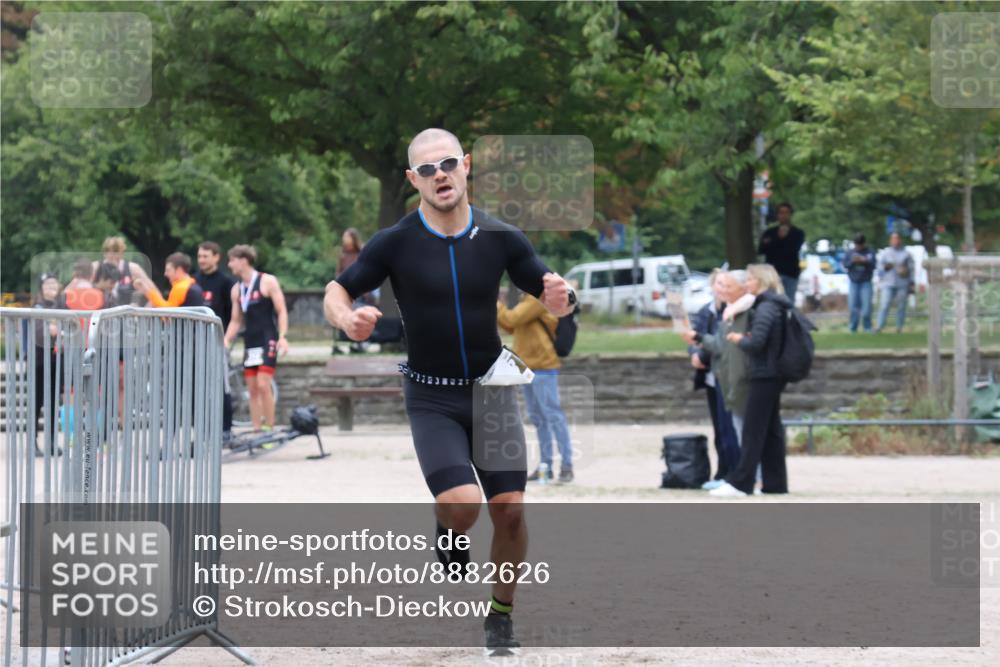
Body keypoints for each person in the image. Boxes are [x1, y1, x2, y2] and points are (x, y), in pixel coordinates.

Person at [324, 128, 574, 657]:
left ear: (467, 166)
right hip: (433, 396)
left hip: (493, 393)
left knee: (509, 509)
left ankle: (500, 617)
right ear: (413, 180)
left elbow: (551, 290)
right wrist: (347, 318)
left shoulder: (502, 236)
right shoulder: (396, 241)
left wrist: (563, 296)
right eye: (428, 169)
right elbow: (338, 288)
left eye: (448, 164)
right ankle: (447, 526)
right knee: (462, 507)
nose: (441, 175)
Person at [711, 264, 790, 498]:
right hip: (773, 373)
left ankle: (742, 483)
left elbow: (758, 343)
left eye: (750, 279)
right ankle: (776, 483)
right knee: (772, 431)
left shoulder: (765, 306)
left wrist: (739, 338)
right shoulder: (774, 303)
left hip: (764, 373)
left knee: (753, 430)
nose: (747, 283)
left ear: (761, 281)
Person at [685, 270, 753, 487]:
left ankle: (735, 473)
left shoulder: (735, 311)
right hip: (712, 375)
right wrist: (693, 352)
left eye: (726, 285)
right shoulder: (709, 310)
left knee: (733, 427)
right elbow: (697, 334)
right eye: (718, 285)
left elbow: (719, 344)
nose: (721, 289)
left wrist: (700, 350)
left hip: (729, 374)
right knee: (721, 428)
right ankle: (724, 471)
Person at [497, 292, 574, 483]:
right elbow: (511, 326)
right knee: (538, 418)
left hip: (544, 366)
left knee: (553, 415)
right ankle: (545, 467)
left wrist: (495, 303)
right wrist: (499, 310)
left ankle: (567, 465)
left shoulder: (538, 299)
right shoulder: (527, 300)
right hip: (528, 366)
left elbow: (512, 318)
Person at [224, 244, 289, 431]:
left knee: (263, 384)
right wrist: (226, 340)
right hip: (250, 341)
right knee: (251, 389)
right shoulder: (237, 289)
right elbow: (236, 320)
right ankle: (256, 429)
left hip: (267, 338)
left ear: (243, 261)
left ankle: (269, 427)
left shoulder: (267, 281)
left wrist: (283, 337)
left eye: (232, 260)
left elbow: (281, 311)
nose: (229, 265)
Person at [195, 241, 237, 440]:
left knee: (221, 385)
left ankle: (226, 429)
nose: (201, 260)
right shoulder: (193, 281)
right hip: (195, 343)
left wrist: (227, 339)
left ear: (216, 257)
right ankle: (202, 429)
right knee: (197, 387)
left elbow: (233, 315)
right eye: (199, 256)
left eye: (205, 256)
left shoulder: (226, 282)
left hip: (217, 341)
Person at [333, 228, 379, 354]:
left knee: (362, 314)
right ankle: (349, 340)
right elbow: (339, 273)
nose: (344, 240)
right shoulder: (342, 255)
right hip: (347, 290)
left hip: (362, 291)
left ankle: (362, 341)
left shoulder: (362, 253)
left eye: (347, 237)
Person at [757, 202, 805, 300]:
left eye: (786, 213)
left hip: (790, 273)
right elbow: (761, 249)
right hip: (772, 273)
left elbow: (793, 249)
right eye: (781, 213)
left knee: (788, 301)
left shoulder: (797, 233)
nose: (784, 216)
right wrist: (778, 238)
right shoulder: (770, 232)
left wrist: (777, 241)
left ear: (790, 214)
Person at [92, 236, 151, 307]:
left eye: (116, 251)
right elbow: (81, 288)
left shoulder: (133, 268)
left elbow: (152, 292)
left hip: (125, 314)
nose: (112, 254)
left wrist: (143, 311)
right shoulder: (95, 267)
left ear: (122, 253)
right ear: (104, 253)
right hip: (101, 313)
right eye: (108, 250)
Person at [876, 232, 914, 334]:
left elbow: (911, 269)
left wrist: (910, 281)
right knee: (884, 304)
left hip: (902, 283)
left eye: (897, 239)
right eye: (893, 239)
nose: (895, 241)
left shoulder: (906, 254)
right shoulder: (885, 253)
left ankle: (899, 328)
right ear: (890, 241)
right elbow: (879, 269)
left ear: (900, 240)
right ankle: (880, 326)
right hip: (887, 283)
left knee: (901, 306)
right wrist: (886, 267)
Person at [137, 252, 205, 308]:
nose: (165, 274)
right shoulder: (192, 284)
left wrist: (147, 291)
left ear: (179, 270)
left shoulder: (181, 288)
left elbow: (167, 314)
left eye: (168, 270)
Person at [844, 233, 876, 333]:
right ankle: (853, 328)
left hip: (866, 282)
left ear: (864, 243)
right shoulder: (850, 252)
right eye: (857, 244)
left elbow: (874, 265)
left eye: (860, 244)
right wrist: (853, 261)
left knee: (866, 307)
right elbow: (845, 264)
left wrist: (864, 260)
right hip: (854, 282)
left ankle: (867, 327)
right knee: (853, 306)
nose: (858, 246)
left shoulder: (870, 252)